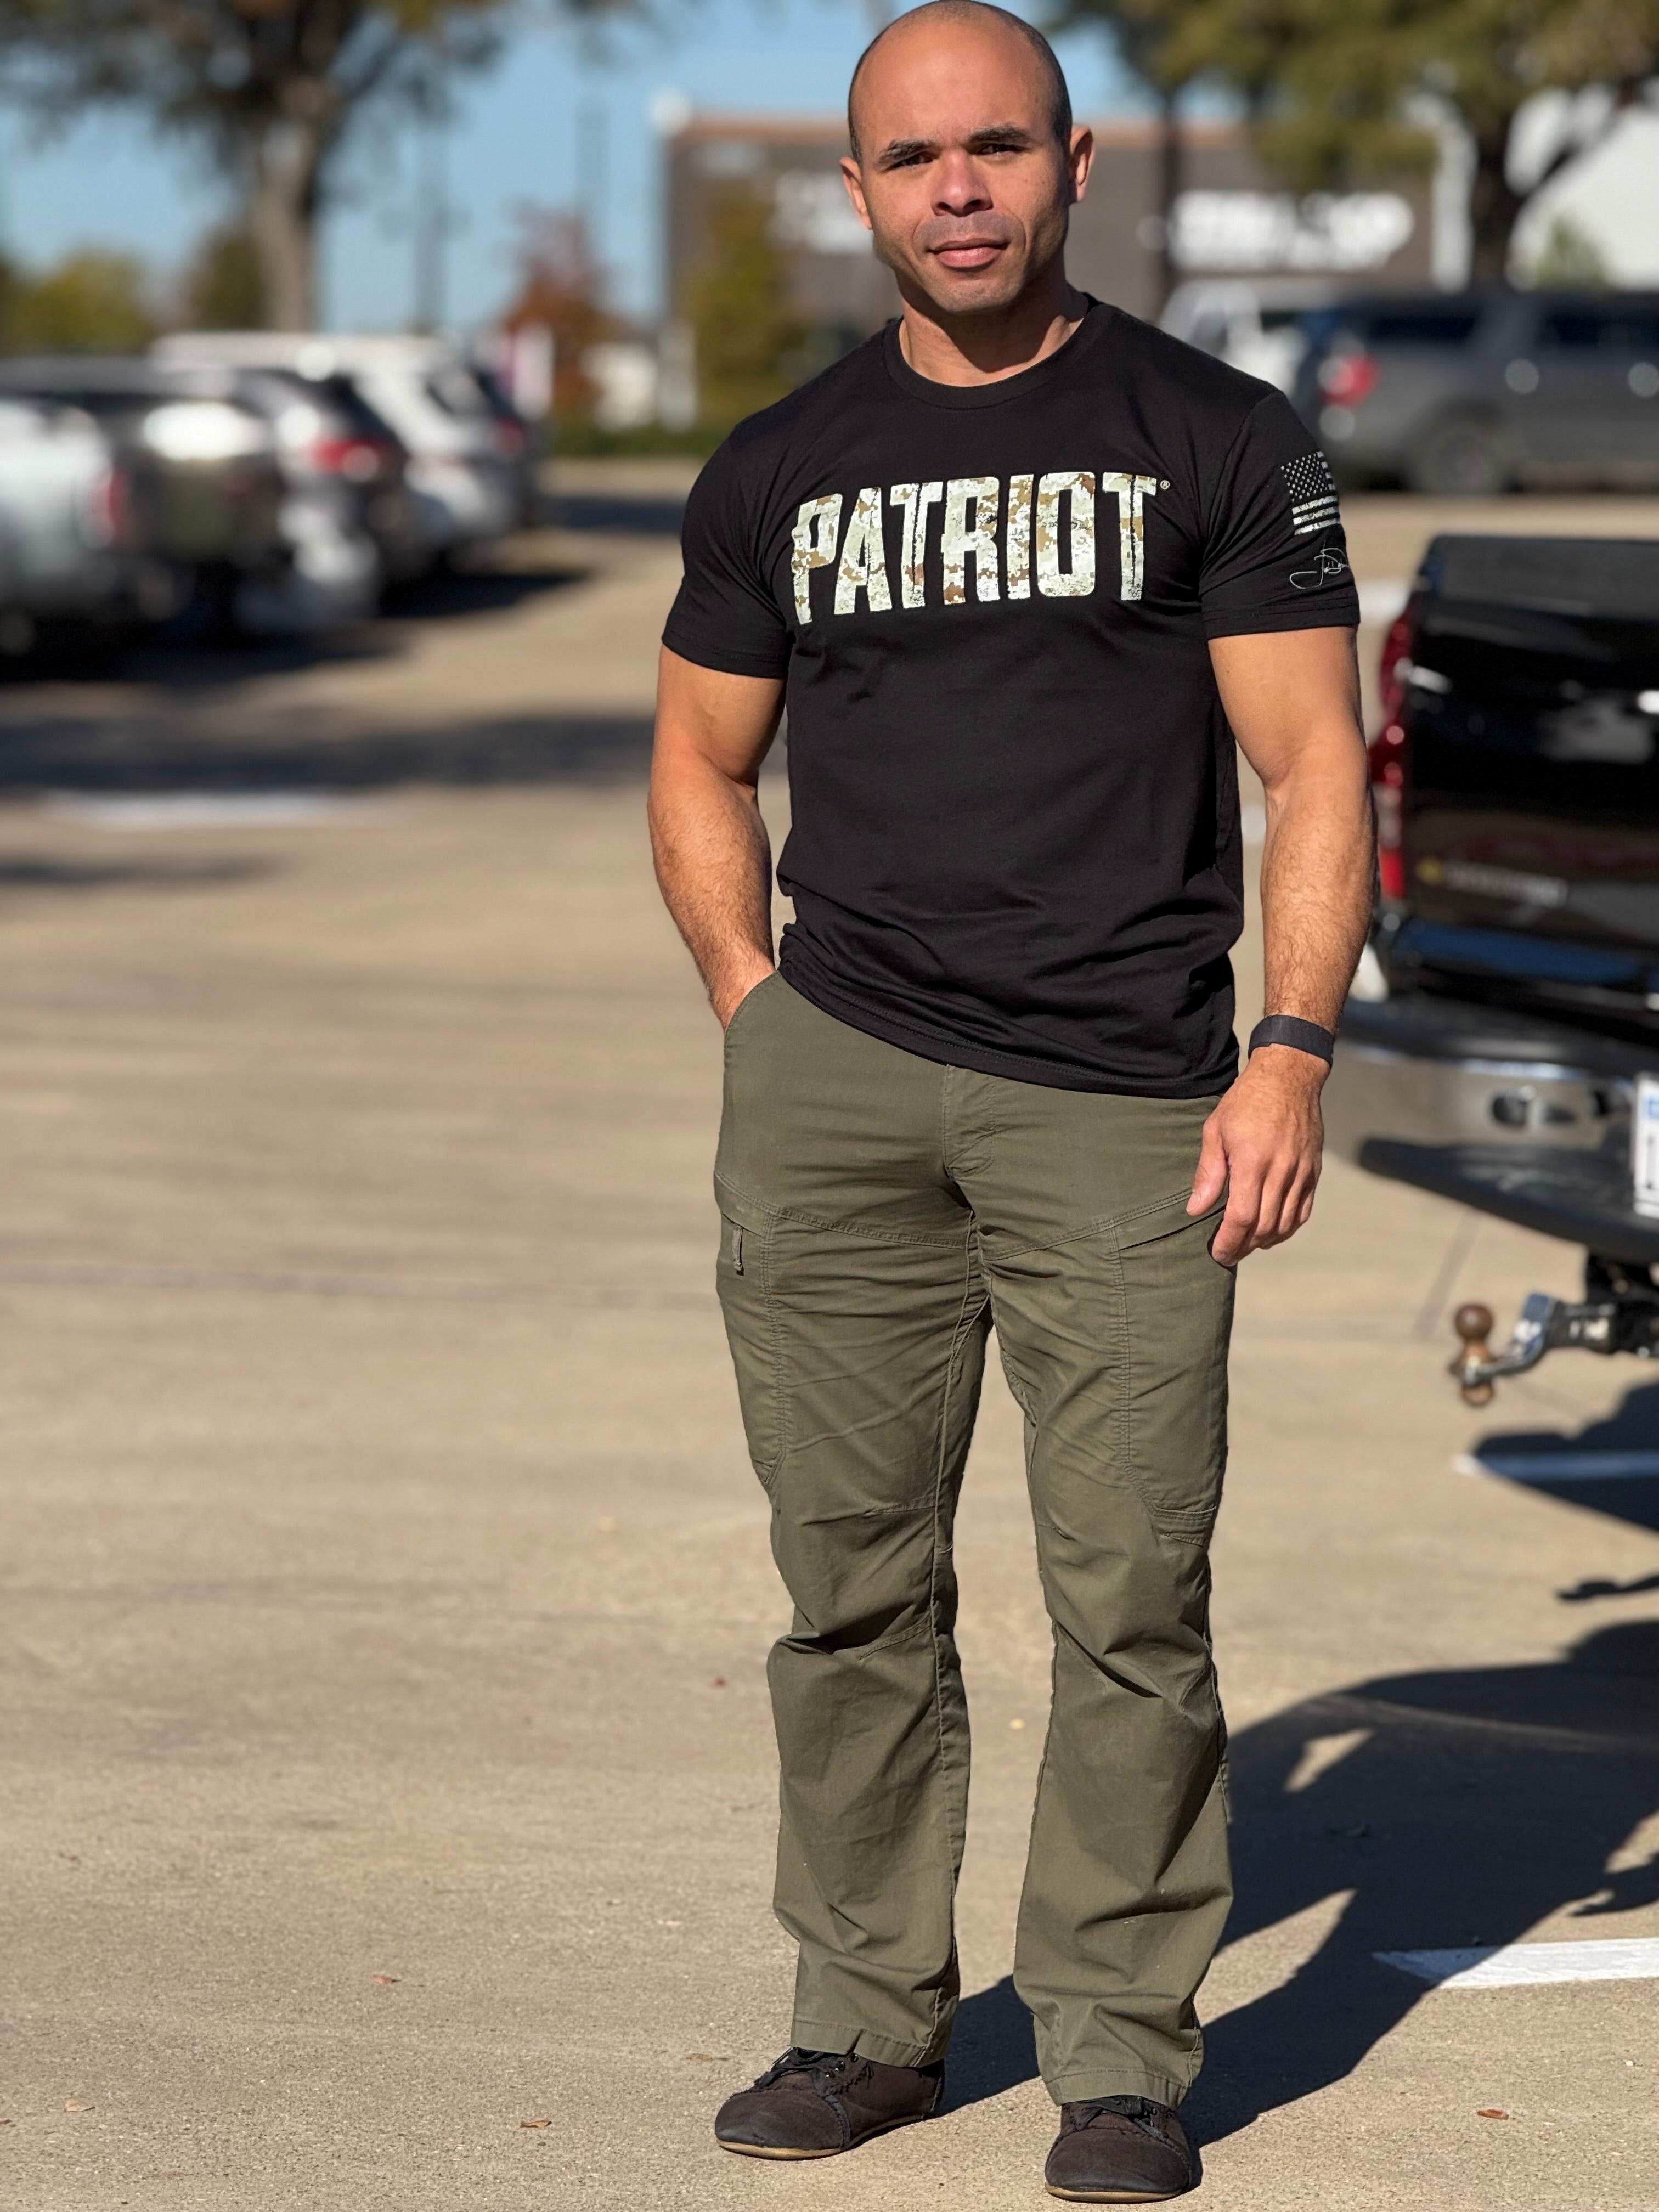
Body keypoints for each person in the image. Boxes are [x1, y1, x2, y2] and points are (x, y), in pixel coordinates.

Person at [647, 2, 1373, 2198]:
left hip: (1128, 1102)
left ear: (1075, 166)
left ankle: (1122, 2055)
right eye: (910, 157)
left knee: (1131, 1597)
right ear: (856, 191)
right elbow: (699, 756)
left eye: (995, 148)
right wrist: (756, 1008)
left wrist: (1290, 1049)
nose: (955, 190)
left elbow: (1313, 764)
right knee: (849, 1588)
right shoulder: (781, 462)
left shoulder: (1218, 434)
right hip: (839, 1083)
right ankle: (866, 2022)